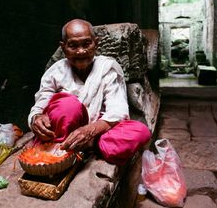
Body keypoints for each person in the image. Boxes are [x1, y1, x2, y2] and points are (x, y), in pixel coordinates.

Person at [27, 19, 151, 165]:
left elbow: (117, 111)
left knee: (140, 131)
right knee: (68, 105)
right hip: (63, 130)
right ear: (63, 47)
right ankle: (63, 150)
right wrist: (37, 118)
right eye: (73, 45)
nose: (81, 51)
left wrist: (88, 132)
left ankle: (87, 145)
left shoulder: (107, 68)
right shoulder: (55, 72)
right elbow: (40, 104)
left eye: (86, 44)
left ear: (96, 44)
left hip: (96, 130)